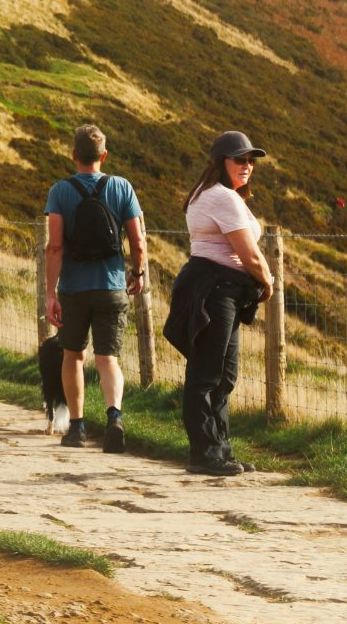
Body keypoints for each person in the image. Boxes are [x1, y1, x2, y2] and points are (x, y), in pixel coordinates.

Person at [163, 131, 273, 477]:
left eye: (250, 160)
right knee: (207, 374)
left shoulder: (211, 194)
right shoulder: (221, 197)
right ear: (219, 162)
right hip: (215, 289)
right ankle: (205, 454)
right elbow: (249, 254)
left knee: (223, 374)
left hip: (220, 289)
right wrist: (267, 281)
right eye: (239, 159)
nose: (247, 166)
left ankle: (220, 451)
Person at [43, 124, 147, 452]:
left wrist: (50, 292)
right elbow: (138, 240)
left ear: (73, 155)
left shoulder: (60, 191)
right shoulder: (122, 187)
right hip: (112, 286)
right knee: (108, 357)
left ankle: (76, 428)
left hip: (74, 289)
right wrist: (138, 272)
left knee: (73, 355)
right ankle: (114, 417)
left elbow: (55, 247)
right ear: (104, 155)